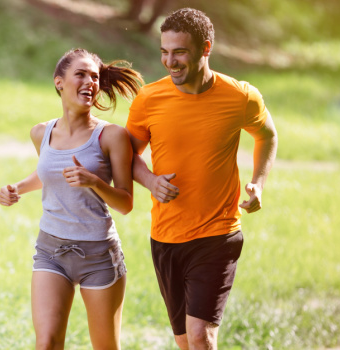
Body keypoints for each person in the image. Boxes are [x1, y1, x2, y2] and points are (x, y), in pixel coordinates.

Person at [126, 8, 279, 350]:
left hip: (218, 233)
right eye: (164, 52)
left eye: (179, 52)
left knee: (200, 336)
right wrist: (150, 180)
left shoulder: (240, 96)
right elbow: (128, 155)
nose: (170, 61)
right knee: (185, 341)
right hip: (166, 235)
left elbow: (267, 135)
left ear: (205, 48)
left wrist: (258, 182)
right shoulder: (149, 99)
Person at [0, 48, 143, 349]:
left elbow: (126, 203)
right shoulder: (41, 133)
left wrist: (95, 182)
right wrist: (17, 188)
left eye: (95, 77)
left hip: (98, 255)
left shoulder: (111, 136)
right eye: (81, 74)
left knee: (105, 346)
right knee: (47, 343)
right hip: (51, 250)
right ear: (59, 82)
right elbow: (50, 173)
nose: (90, 82)